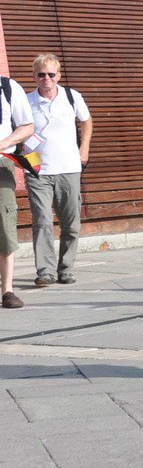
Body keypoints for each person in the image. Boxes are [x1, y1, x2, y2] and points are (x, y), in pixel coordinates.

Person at [24, 54, 93, 288]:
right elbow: (20, 131)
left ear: (59, 75)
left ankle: (66, 268)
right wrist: (22, 158)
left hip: (69, 168)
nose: (46, 78)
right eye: (41, 74)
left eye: (51, 74)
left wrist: (83, 149)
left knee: (71, 223)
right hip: (38, 172)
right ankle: (45, 271)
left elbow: (86, 121)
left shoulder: (72, 97)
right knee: (42, 221)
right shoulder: (26, 101)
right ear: (34, 76)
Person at [0, 72, 35, 308]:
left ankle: (8, 290)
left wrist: (3, 144)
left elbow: (27, 126)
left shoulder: (8, 87)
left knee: (4, 220)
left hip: (1, 162)